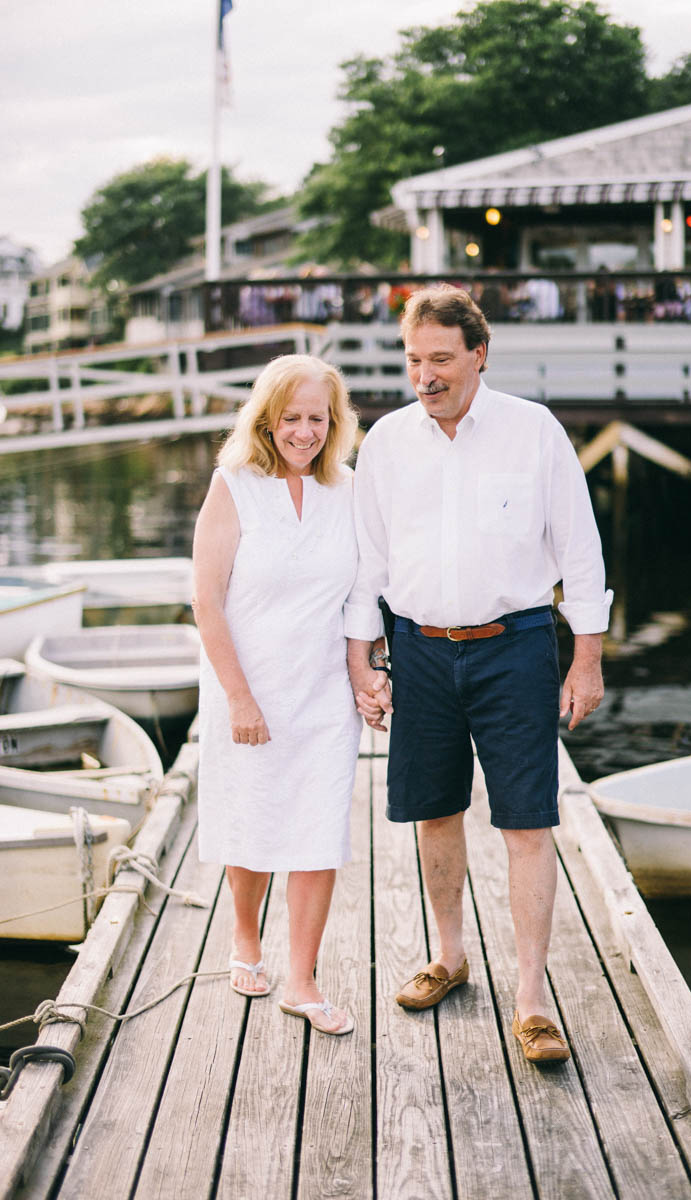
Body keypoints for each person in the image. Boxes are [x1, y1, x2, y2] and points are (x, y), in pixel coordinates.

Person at [347, 285, 612, 1064]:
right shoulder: (389, 442)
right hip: (419, 647)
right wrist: (362, 658)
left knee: (526, 823)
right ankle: (450, 955)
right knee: (434, 811)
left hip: (517, 644)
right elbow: (369, 560)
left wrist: (586, 657)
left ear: (478, 354)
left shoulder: (534, 431)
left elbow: (580, 547)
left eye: (439, 359)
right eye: (413, 360)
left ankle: (531, 998)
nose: (424, 375)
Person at [193, 354, 386, 1035]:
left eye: (317, 418)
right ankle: (245, 938)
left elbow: (364, 594)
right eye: (291, 418)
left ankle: (302, 980)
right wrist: (240, 698)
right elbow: (207, 603)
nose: (304, 432)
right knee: (251, 818)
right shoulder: (234, 484)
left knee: (318, 831)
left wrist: (366, 675)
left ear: (334, 423)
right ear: (266, 420)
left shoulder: (350, 488)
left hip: (324, 690)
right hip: (249, 687)